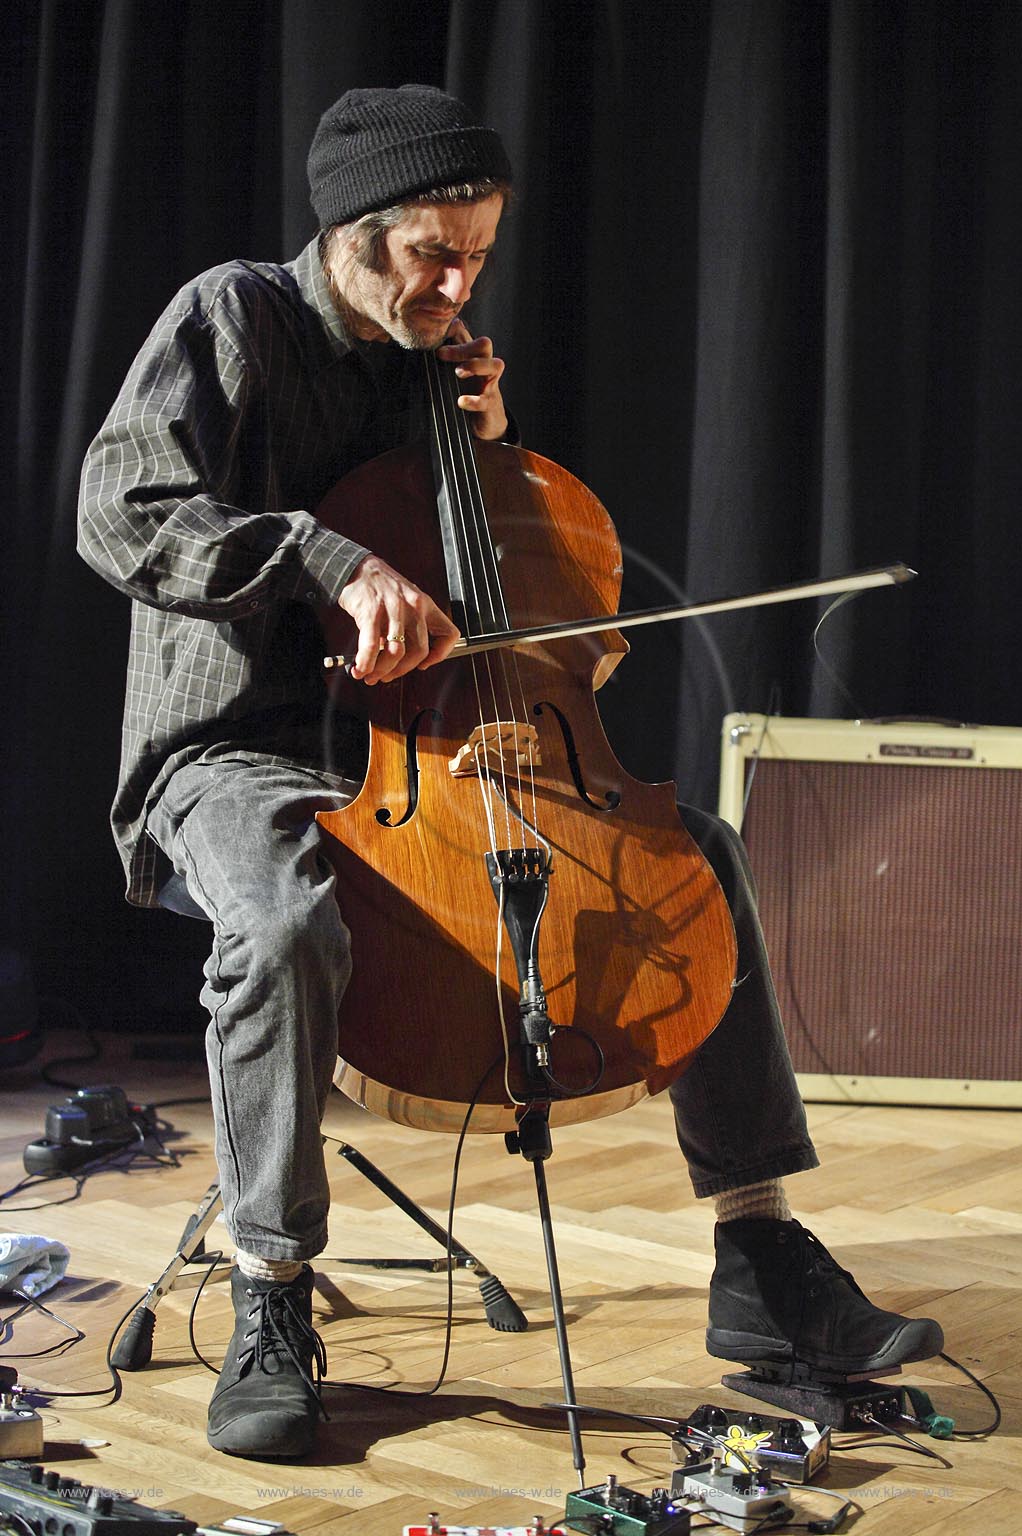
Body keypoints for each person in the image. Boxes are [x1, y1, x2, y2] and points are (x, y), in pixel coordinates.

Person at [78, 84, 943, 1462]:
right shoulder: (232, 315)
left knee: (697, 857)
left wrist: (479, 457)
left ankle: (762, 1259)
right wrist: (324, 558)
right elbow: (118, 511)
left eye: (478, 252)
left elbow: (521, 605)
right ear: (351, 233)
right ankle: (272, 1291)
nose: (457, 280)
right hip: (237, 745)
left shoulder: (441, 361)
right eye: (431, 251)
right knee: (288, 915)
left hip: (435, 750)